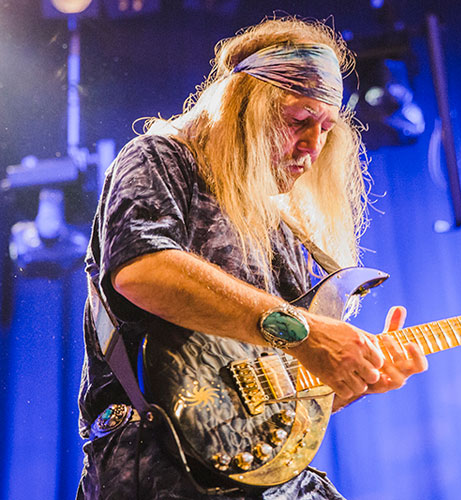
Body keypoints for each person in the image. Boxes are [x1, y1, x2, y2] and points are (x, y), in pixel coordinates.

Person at [77, 17, 428, 499]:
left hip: (266, 478)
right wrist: (309, 334)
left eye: (326, 128)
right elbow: (142, 270)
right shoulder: (160, 158)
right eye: (299, 120)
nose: (314, 145)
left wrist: (348, 377)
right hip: (159, 466)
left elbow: (269, 385)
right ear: (244, 110)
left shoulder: (282, 230)